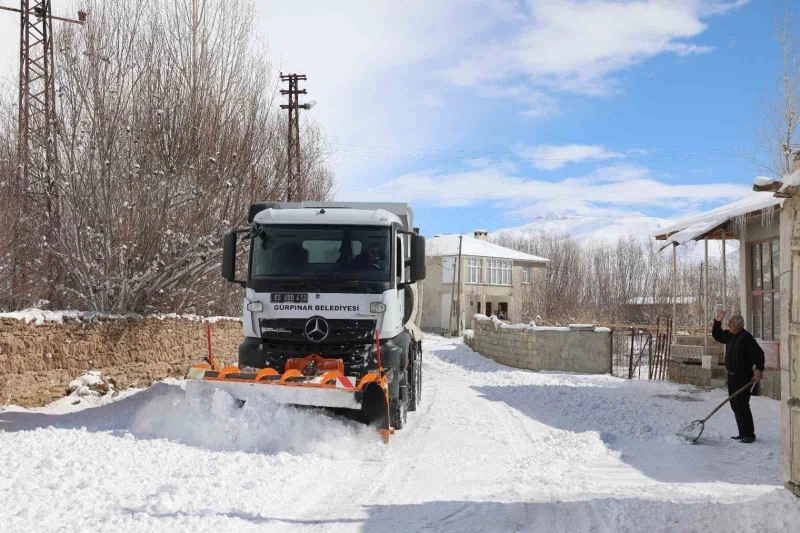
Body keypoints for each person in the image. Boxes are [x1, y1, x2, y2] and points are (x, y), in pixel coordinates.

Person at [711, 309, 765, 443]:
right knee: (735, 405)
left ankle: (749, 435)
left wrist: (759, 370)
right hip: (732, 376)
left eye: (731, 324)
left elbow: (759, 354)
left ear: (738, 326)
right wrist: (717, 321)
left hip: (743, 377)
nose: (728, 325)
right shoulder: (730, 335)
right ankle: (742, 433)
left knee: (742, 405)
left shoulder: (746, 338)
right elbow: (717, 335)